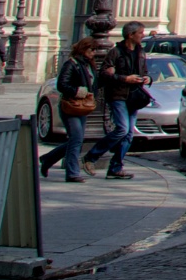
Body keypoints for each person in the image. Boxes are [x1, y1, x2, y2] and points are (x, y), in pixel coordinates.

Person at [83, 22, 149, 180]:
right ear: (130, 35)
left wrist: (147, 78)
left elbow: (145, 71)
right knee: (122, 129)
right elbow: (104, 75)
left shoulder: (141, 52)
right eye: (140, 32)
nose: (143, 35)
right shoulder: (116, 52)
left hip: (134, 97)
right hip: (118, 95)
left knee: (128, 135)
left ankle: (116, 168)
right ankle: (91, 157)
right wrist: (125, 78)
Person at [39, 37, 99, 182]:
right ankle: (72, 172)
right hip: (70, 106)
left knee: (76, 139)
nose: (94, 53)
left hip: (82, 106)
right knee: (76, 138)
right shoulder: (72, 64)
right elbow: (62, 84)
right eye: (92, 50)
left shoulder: (88, 64)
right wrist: (77, 91)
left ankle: (48, 158)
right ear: (84, 49)